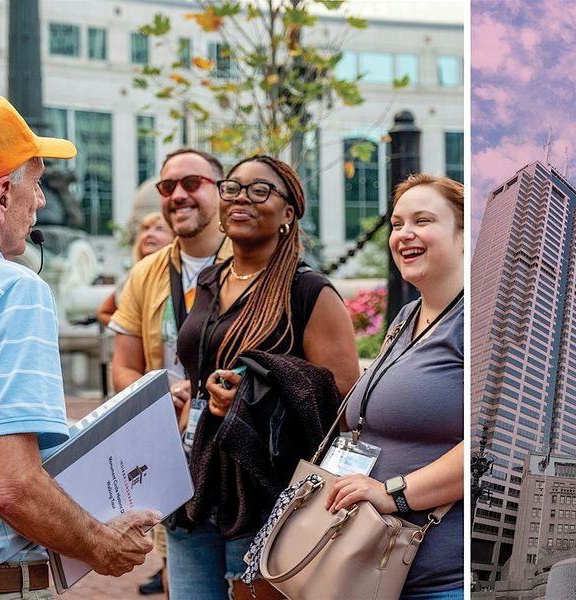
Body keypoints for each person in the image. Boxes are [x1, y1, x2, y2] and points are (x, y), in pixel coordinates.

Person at [0, 95, 160, 599]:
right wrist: (100, 543)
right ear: (2, 196)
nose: (41, 202)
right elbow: (10, 483)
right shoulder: (14, 289)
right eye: (35, 185)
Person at [171, 155, 360, 600]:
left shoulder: (309, 291)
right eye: (232, 188)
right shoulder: (209, 281)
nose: (241, 199)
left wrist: (255, 398)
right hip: (194, 481)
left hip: (265, 495)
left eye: (260, 191)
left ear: (289, 213)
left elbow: (343, 404)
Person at [325, 174, 466, 599]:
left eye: (423, 221)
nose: (405, 234)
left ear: (462, 236)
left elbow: (484, 443)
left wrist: (392, 494)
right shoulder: (407, 316)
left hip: (435, 578)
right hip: (365, 566)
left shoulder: (471, 318)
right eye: (398, 223)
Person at [108, 149, 233, 596]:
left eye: (192, 183)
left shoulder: (253, 261)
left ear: (222, 192)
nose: (178, 195)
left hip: (243, 466)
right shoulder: (147, 274)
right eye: (167, 187)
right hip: (177, 468)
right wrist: (156, 391)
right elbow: (122, 367)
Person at [98, 211, 174, 327]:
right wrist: (131, 331)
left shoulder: (180, 276)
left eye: (159, 229)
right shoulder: (131, 278)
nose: (149, 234)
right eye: (145, 228)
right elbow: (104, 312)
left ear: (175, 238)